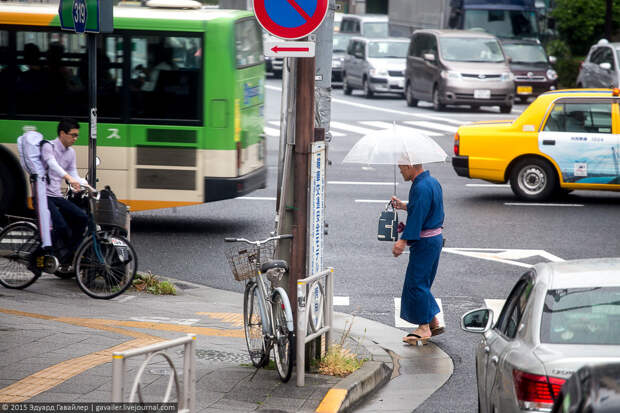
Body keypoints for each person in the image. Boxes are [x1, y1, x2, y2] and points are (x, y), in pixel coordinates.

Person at [391, 163, 445, 346]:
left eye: (401, 167)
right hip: (434, 239)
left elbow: (418, 217)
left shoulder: (420, 186)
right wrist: (404, 206)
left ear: (410, 165)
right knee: (423, 281)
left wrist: (402, 241)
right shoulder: (432, 182)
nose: (400, 170)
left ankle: (423, 327)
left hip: (425, 242)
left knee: (416, 283)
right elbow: (424, 208)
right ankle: (432, 321)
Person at [44, 118, 88, 264]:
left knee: (82, 218)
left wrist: (87, 186)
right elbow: (52, 163)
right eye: (73, 135)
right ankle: (44, 254)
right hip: (43, 195)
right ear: (62, 133)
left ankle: (68, 254)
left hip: (56, 195)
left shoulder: (71, 153)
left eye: (77, 136)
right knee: (60, 225)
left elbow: (73, 173)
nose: (75, 139)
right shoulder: (48, 147)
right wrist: (69, 178)